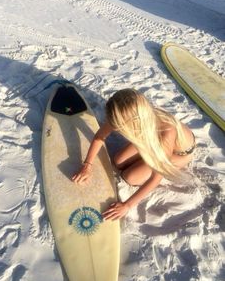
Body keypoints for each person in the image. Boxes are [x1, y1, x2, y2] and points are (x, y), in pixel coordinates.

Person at [72, 89, 196, 220]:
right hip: (150, 137)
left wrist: (127, 205)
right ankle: (145, 159)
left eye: (120, 128)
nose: (117, 129)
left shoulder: (166, 132)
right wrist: (87, 164)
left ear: (132, 124)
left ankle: (165, 163)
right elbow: (100, 137)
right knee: (118, 161)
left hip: (179, 154)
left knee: (130, 177)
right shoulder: (125, 112)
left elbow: (155, 178)